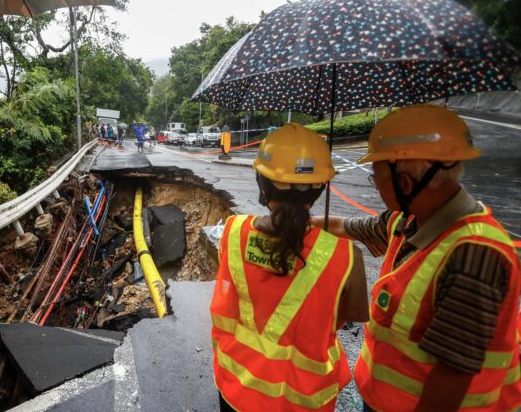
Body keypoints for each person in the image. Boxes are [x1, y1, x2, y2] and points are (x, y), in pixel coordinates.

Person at [313, 105, 520, 412]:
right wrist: (289, 225)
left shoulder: (474, 256)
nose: (375, 184)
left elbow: (450, 381)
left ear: (405, 182)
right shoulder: (405, 221)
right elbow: (343, 226)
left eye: (376, 177)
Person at [211, 123, 368, 412]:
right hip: (303, 401)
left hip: (236, 388)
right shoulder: (346, 257)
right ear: (320, 188)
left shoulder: (233, 232)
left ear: (263, 182)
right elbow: (339, 320)